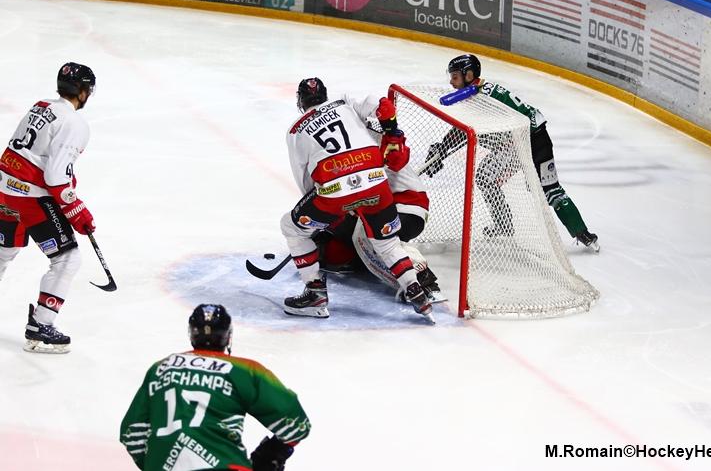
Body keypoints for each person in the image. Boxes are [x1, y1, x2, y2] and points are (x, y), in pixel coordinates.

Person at [280, 78, 434, 322]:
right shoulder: (346, 104)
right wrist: (393, 132)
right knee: (386, 243)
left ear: (301, 101)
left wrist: (321, 219)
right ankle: (418, 294)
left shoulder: (296, 129)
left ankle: (315, 295)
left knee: (291, 227)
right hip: (376, 181)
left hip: (339, 190)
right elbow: (383, 105)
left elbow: (306, 183)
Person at [423, 54, 599, 251]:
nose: (451, 82)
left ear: (469, 75)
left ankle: (581, 232)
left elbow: (462, 131)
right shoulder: (479, 92)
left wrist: (443, 148)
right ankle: (505, 225)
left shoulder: (480, 97)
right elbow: (465, 129)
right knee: (486, 178)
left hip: (532, 141)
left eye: (455, 77)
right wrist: (443, 147)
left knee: (549, 190)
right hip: (519, 141)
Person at [120, 304, 310, 471]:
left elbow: (131, 433)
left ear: (191, 334)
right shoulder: (244, 370)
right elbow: (295, 423)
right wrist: (271, 454)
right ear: (228, 336)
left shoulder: (160, 368)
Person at [0, 62, 98, 354]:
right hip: (29, 198)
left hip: (4, 189)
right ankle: (41, 328)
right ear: (84, 92)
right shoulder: (75, 123)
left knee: (3, 252)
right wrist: (76, 209)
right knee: (67, 259)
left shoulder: (41, 106)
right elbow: (55, 177)